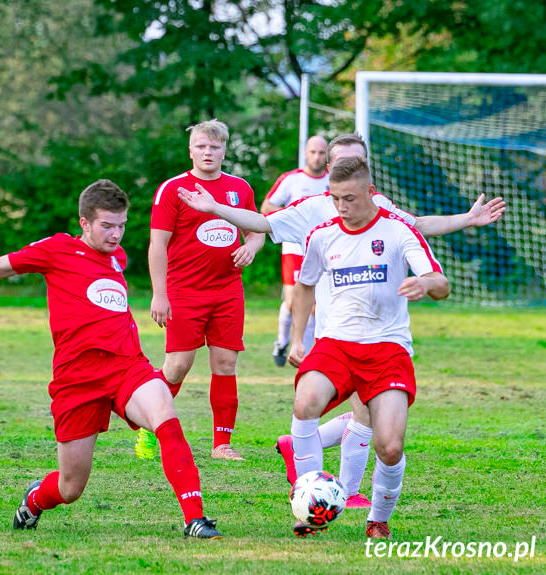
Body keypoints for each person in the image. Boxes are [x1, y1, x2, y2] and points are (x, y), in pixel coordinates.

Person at [176, 133, 505, 508]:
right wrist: (216, 208)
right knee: (338, 407)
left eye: (359, 162)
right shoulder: (313, 211)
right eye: (344, 163)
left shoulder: (382, 207)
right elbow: (262, 224)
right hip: (335, 335)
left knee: (366, 413)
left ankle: (342, 489)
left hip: (382, 335)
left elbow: (418, 226)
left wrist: (466, 219)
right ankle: (334, 488)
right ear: (330, 170)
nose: (351, 172)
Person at [0, 179, 222, 539]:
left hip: (127, 365)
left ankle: (195, 519)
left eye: (122, 225)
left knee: (166, 417)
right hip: (77, 378)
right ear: (85, 223)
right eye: (107, 226)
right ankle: (34, 500)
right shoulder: (57, 249)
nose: (116, 234)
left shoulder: (117, 257)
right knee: (70, 487)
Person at [287, 155, 449, 539]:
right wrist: (297, 337)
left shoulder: (398, 233)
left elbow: (440, 282)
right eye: (335, 199)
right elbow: (305, 284)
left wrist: (425, 285)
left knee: (390, 447)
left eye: (350, 199)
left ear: (370, 192)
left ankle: (377, 518)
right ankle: (312, 504)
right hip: (337, 344)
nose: (342, 207)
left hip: (387, 349)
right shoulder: (322, 235)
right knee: (304, 401)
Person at [137, 119, 265, 462]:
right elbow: (157, 245)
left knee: (225, 363)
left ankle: (222, 444)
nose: (208, 152)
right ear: (190, 150)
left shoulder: (240, 187)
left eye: (215, 147)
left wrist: (251, 247)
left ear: (225, 150)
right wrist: (159, 294)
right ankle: (148, 428)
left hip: (227, 291)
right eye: (201, 146)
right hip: (183, 292)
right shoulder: (173, 189)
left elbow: (257, 229)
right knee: (178, 366)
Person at [260, 136, 328, 367]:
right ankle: (281, 341)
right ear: (305, 153)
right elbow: (267, 206)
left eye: (321, 152)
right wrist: (295, 217)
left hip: (321, 249)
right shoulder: (292, 179)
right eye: (313, 152)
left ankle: (305, 354)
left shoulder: (334, 182)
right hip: (294, 249)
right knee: (292, 302)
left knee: (314, 305)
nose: (317, 157)